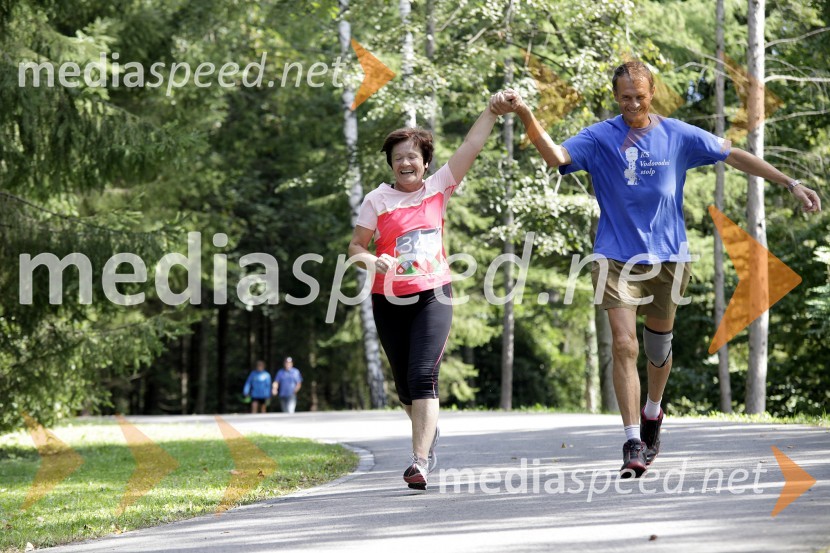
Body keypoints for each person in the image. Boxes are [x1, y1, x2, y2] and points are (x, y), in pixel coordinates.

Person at [492, 61, 821, 477]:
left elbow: (732, 154)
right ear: (616, 96)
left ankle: (652, 412)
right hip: (614, 257)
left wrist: (790, 183)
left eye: (640, 97)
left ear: (653, 94)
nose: (632, 104)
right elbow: (557, 156)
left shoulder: (677, 135)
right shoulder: (599, 137)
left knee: (657, 349)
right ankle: (632, 440)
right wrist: (525, 113)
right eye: (625, 97)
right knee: (624, 345)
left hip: (668, 257)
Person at [348, 92, 517, 490]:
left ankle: (419, 461)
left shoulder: (439, 187)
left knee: (423, 376)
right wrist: (374, 261)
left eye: (412, 156)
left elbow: (471, 145)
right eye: (398, 158)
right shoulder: (376, 200)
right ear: (390, 164)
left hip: (432, 293)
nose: (405, 163)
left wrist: (492, 110)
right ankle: (427, 430)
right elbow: (355, 247)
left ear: (425, 162)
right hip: (387, 297)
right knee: (405, 387)